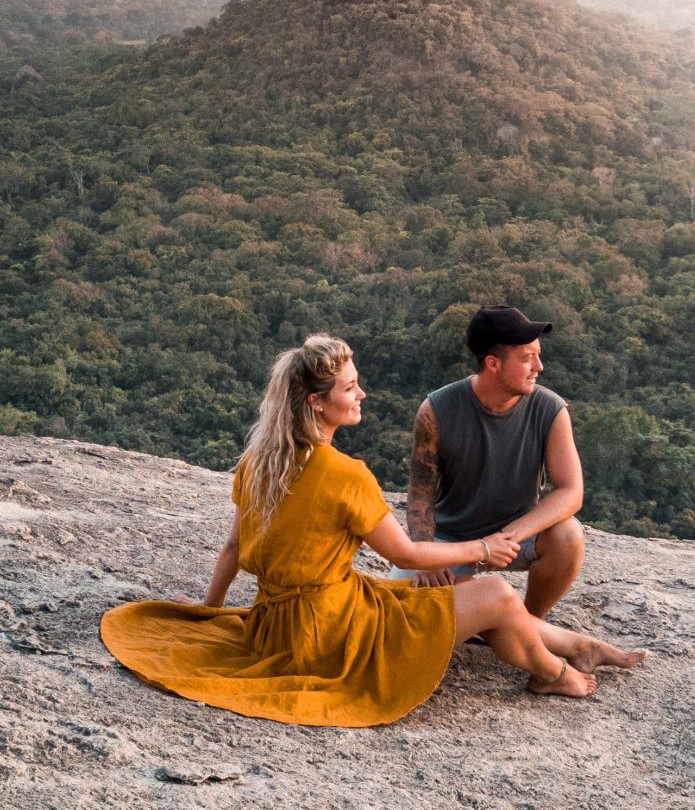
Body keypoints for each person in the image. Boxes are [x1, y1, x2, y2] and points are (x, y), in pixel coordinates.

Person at [101, 334, 646, 727]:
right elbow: (405, 549)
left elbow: (234, 546)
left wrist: (212, 609)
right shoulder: (345, 476)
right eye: (350, 388)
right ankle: (554, 672)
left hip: (278, 627)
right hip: (334, 635)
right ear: (317, 402)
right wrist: (484, 548)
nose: (361, 395)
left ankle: (582, 645)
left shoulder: (258, 462)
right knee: (497, 593)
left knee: (433, 596)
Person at [391, 305, 584, 618]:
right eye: (527, 358)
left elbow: (571, 492)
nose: (540, 366)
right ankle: (493, 613)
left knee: (569, 535)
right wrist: (426, 556)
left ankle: (531, 621)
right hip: (450, 539)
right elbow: (420, 492)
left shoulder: (550, 410)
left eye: (538, 355)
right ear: (493, 363)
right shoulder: (436, 410)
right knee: (399, 614)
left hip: (516, 535)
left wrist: (505, 539)